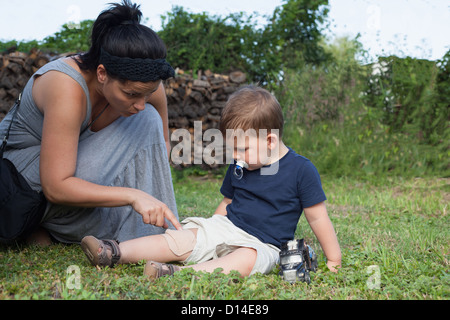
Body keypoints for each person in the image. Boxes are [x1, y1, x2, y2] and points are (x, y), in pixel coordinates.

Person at [81, 85, 341, 279]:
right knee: (182, 238)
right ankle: (113, 251)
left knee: (246, 259)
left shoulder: (302, 171)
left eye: (242, 149)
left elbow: (318, 218)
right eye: (233, 149)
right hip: (228, 227)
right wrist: (208, 234)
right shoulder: (241, 164)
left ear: (270, 141)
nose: (236, 156)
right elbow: (227, 202)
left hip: (264, 244)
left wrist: (334, 259)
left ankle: (176, 273)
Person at [0, 0, 182, 245]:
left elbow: (160, 145)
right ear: (102, 73)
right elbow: (55, 186)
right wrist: (133, 195)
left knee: (147, 118)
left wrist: (150, 182)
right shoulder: (67, 87)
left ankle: (150, 231)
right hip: (23, 184)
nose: (140, 102)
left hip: (65, 179)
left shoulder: (144, 84)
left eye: (147, 93)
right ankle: (47, 228)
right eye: (130, 95)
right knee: (145, 119)